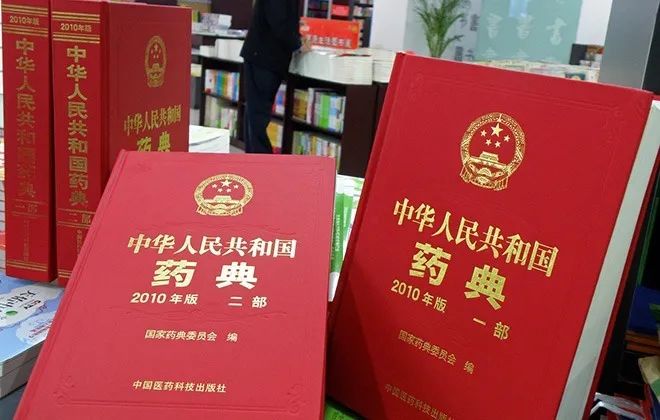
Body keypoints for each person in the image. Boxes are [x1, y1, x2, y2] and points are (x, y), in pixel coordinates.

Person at [241, 0, 311, 153]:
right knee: (258, 112)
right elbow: (278, 21)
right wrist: (297, 44)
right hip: (265, 57)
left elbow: (282, 20)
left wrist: (297, 37)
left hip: (262, 56)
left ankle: (254, 156)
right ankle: (261, 157)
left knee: (255, 110)